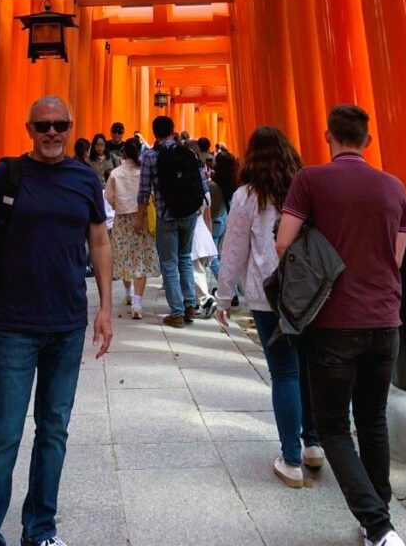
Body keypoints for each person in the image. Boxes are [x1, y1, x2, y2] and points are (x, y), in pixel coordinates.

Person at [0, 96, 113, 546]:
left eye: (60, 124)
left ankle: (40, 529)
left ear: (71, 126)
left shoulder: (85, 179)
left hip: (66, 323)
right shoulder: (9, 174)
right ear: (30, 129)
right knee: (4, 431)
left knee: (54, 429)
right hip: (16, 324)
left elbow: (99, 242)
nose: (53, 133)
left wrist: (104, 307)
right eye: (43, 125)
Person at [276, 105, 406, 546]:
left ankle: (378, 524)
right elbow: (396, 259)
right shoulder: (394, 188)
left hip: (334, 320)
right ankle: (380, 520)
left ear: (328, 136)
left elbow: (283, 243)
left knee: (332, 425)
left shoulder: (310, 180)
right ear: (367, 141)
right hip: (385, 318)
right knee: (372, 419)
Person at [216, 126, 323, 490]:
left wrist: (223, 295)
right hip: (307, 293)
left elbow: (233, 250)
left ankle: (291, 459)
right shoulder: (305, 187)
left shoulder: (247, 196)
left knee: (284, 373)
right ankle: (314, 443)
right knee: (308, 368)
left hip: (267, 295)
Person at [135, 115, 209, 328]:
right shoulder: (189, 153)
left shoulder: (150, 156)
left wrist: (139, 219)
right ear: (173, 130)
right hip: (189, 214)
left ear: (154, 132)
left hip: (166, 216)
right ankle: (189, 306)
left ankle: (176, 312)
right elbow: (203, 185)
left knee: (168, 263)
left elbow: (143, 192)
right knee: (185, 258)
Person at [105, 137, 160, 319]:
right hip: (141, 218)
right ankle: (137, 302)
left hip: (122, 219)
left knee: (124, 257)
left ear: (123, 153)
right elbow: (151, 194)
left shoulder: (115, 173)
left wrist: (118, 205)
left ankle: (128, 293)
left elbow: (109, 197)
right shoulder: (143, 172)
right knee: (140, 259)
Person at [209, 151, 239, 285]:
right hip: (225, 219)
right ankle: (232, 289)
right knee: (222, 256)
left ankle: (227, 288)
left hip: (215, 221)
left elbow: (211, 208)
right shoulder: (233, 182)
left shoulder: (213, 186)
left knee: (212, 258)